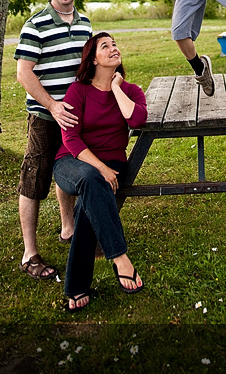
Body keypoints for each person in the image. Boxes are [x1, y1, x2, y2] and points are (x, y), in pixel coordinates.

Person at [53, 32, 147, 311]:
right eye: (105, 46)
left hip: (113, 164)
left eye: (115, 44)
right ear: (93, 59)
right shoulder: (78, 91)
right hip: (72, 162)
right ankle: (120, 259)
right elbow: (70, 138)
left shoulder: (131, 91)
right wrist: (100, 167)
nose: (113, 49)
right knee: (92, 179)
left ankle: (76, 286)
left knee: (88, 203)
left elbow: (137, 119)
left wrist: (116, 87)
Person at [15, 0, 92, 280]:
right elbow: (24, 72)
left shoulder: (86, 23)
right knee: (34, 180)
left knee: (69, 171)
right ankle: (29, 253)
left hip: (76, 118)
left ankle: (68, 227)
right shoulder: (35, 25)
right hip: (46, 118)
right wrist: (53, 106)